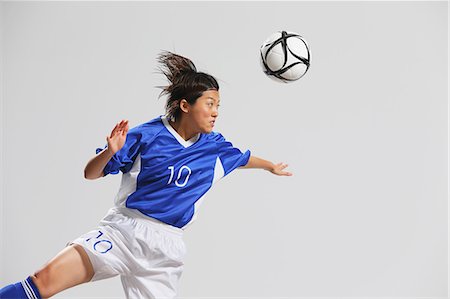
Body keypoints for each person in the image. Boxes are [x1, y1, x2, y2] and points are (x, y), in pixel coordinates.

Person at [0, 50, 292, 299]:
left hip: (165, 249)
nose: (216, 112)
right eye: (210, 104)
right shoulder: (147, 135)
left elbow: (242, 158)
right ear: (185, 105)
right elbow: (90, 174)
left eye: (218, 106)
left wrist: (271, 166)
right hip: (123, 231)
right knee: (42, 281)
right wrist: (109, 151)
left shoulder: (215, 147)